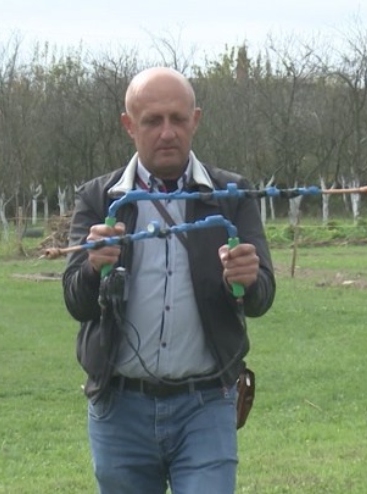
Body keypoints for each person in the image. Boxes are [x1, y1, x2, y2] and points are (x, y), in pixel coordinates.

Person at [62, 66, 276, 494]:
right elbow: (76, 303)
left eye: (178, 119)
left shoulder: (231, 194)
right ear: (129, 126)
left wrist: (247, 279)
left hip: (206, 405)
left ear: (195, 120)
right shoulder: (100, 199)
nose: (167, 132)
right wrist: (90, 267)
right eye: (152, 121)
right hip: (119, 409)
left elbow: (261, 296)